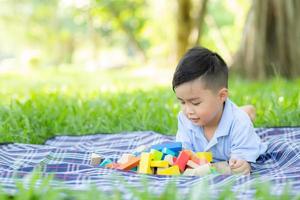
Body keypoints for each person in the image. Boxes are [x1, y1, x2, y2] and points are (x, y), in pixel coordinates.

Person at [172, 46, 267, 175]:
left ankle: (247, 112)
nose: (188, 110)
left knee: (242, 117)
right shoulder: (185, 119)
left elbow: (242, 161)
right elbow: (184, 151)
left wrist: (241, 164)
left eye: (195, 103)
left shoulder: (239, 122)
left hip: (239, 123)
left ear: (222, 96)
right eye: (182, 102)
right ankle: (246, 110)